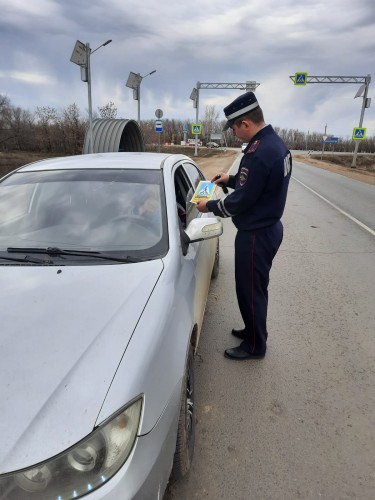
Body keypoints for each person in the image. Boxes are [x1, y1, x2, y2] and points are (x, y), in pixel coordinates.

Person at [196, 91, 292, 360]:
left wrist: (210, 206)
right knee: (256, 288)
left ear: (246, 124)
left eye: (235, 128)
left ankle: (254, 346)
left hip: (256, 235)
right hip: (268, 229)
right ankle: (253, 330)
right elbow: (256, 185)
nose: (234, 133)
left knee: (250, 291)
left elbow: (243, 200)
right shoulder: (275, 145)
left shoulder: (259, 153)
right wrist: (229, 179)